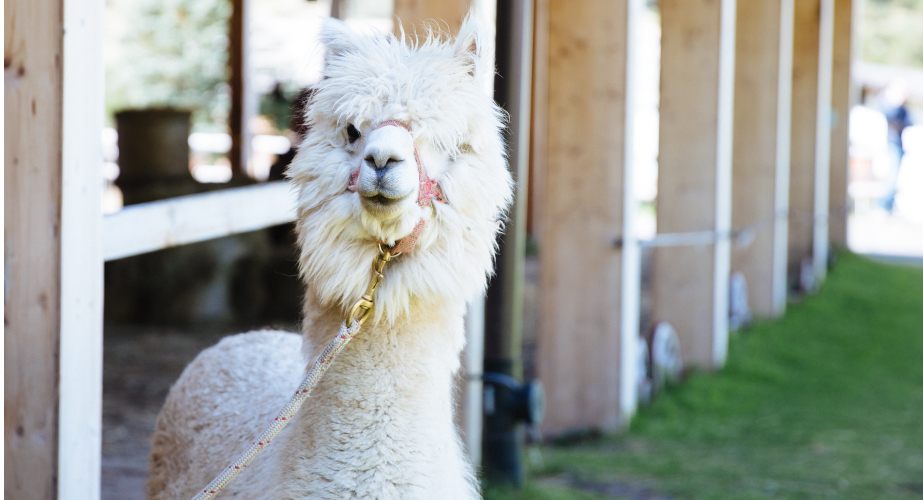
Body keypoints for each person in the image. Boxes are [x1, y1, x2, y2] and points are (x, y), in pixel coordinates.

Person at [877, 79, 912, 212]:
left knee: (896, 178)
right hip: (888, 147)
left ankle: (887, 208)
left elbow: (910, 123)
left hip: (898, 146)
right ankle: (882, 207)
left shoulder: (902, 110)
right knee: (890, 178)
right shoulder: (885, 105)